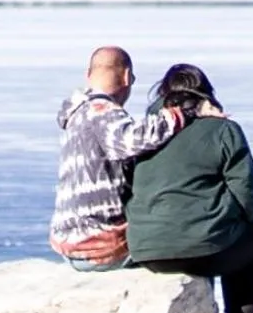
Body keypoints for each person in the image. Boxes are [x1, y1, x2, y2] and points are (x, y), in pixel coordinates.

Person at [127, 64, 253, 313]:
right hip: (201, 251)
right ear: (206, 96)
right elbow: (246, 188)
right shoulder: (222, 130)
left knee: (210, 233)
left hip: (146, 251)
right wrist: (246, 219)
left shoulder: (141, 133)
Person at [50, 46, 189, 271]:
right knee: (188, 248)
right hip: (101, 246)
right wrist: (178, 115)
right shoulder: (100, 109)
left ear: (89, 75)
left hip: (70, 242)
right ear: (126, 77)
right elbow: (131, 140)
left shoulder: (76, 113)